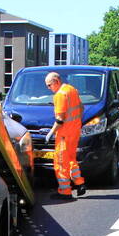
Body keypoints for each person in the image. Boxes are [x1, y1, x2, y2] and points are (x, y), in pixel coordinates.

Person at [45, 72, 86, 200]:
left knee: (61, 162)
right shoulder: (71, 89)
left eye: (49, 85)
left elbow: (60, 119)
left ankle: (65, 191)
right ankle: (80, 184)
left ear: (56, 81)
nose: (48, 88)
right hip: (74, 131)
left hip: (64, 134)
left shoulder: (60, 95)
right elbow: (81, 108)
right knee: (71, 158)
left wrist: (50, 133)